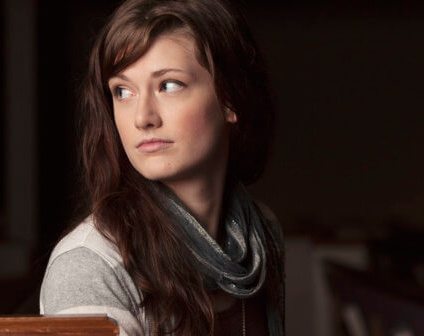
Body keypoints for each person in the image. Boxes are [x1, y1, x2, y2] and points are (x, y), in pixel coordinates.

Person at [38, 0, 283, 335]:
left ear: (231, 99)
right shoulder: (89, 265)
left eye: (169, 85)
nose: (143, 118)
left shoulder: (261, 236)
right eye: (123, 91)